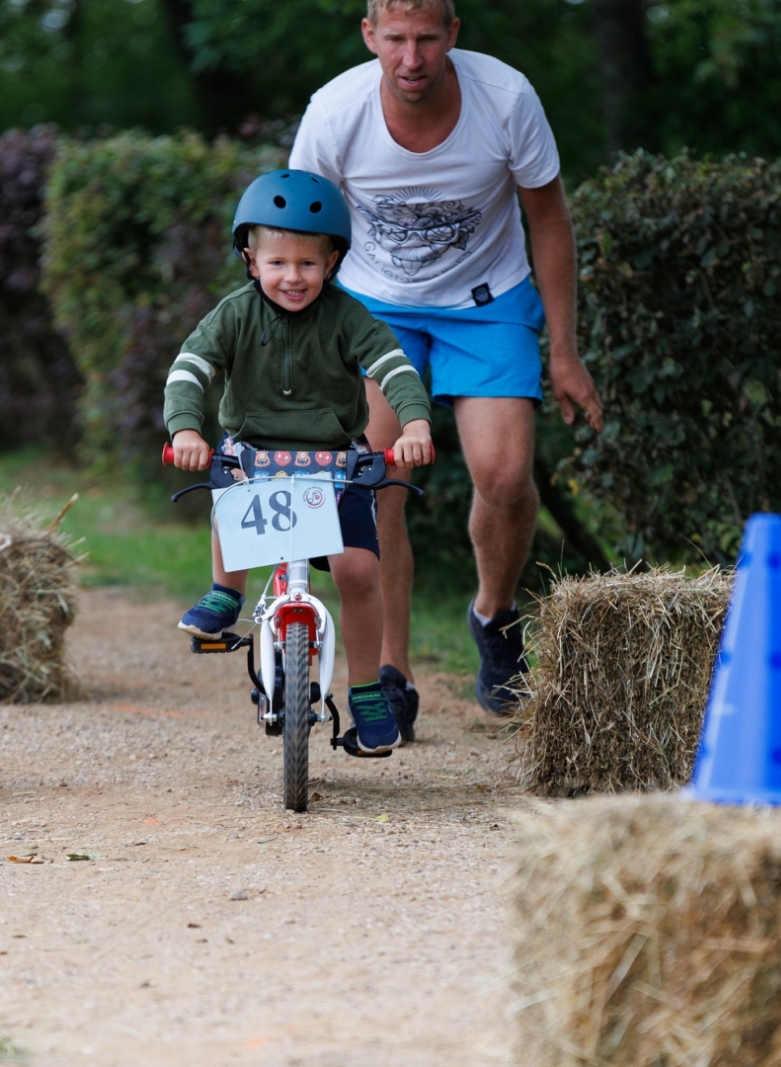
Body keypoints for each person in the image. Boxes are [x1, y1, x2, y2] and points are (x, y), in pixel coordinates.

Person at [289, 0, 605, 726]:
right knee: (378, 480)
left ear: (453, 35)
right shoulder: (334, 114)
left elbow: (548, 218)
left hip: (488, 302)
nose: (411, 58)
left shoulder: (505, 100)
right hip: (374, 308)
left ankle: (494, 615)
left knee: (504, 475)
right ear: (370, 35)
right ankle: (392, 670)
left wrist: (563, 349)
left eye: (427, 39)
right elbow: (299, 230)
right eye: (395, 39)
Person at [164, 169, 435, 754]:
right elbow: (191, 368)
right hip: (256, 455)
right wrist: (186, 428)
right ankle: (225, 593)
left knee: (359, 573)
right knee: (227, 477)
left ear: (332, 263)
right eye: (278, 263)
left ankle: (365, 691)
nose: (293, 277)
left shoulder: (347, 317)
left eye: (308, 264)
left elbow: (393, 367)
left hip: (336, 462)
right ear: (250, 258)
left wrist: (413, 423)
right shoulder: (234, 314)